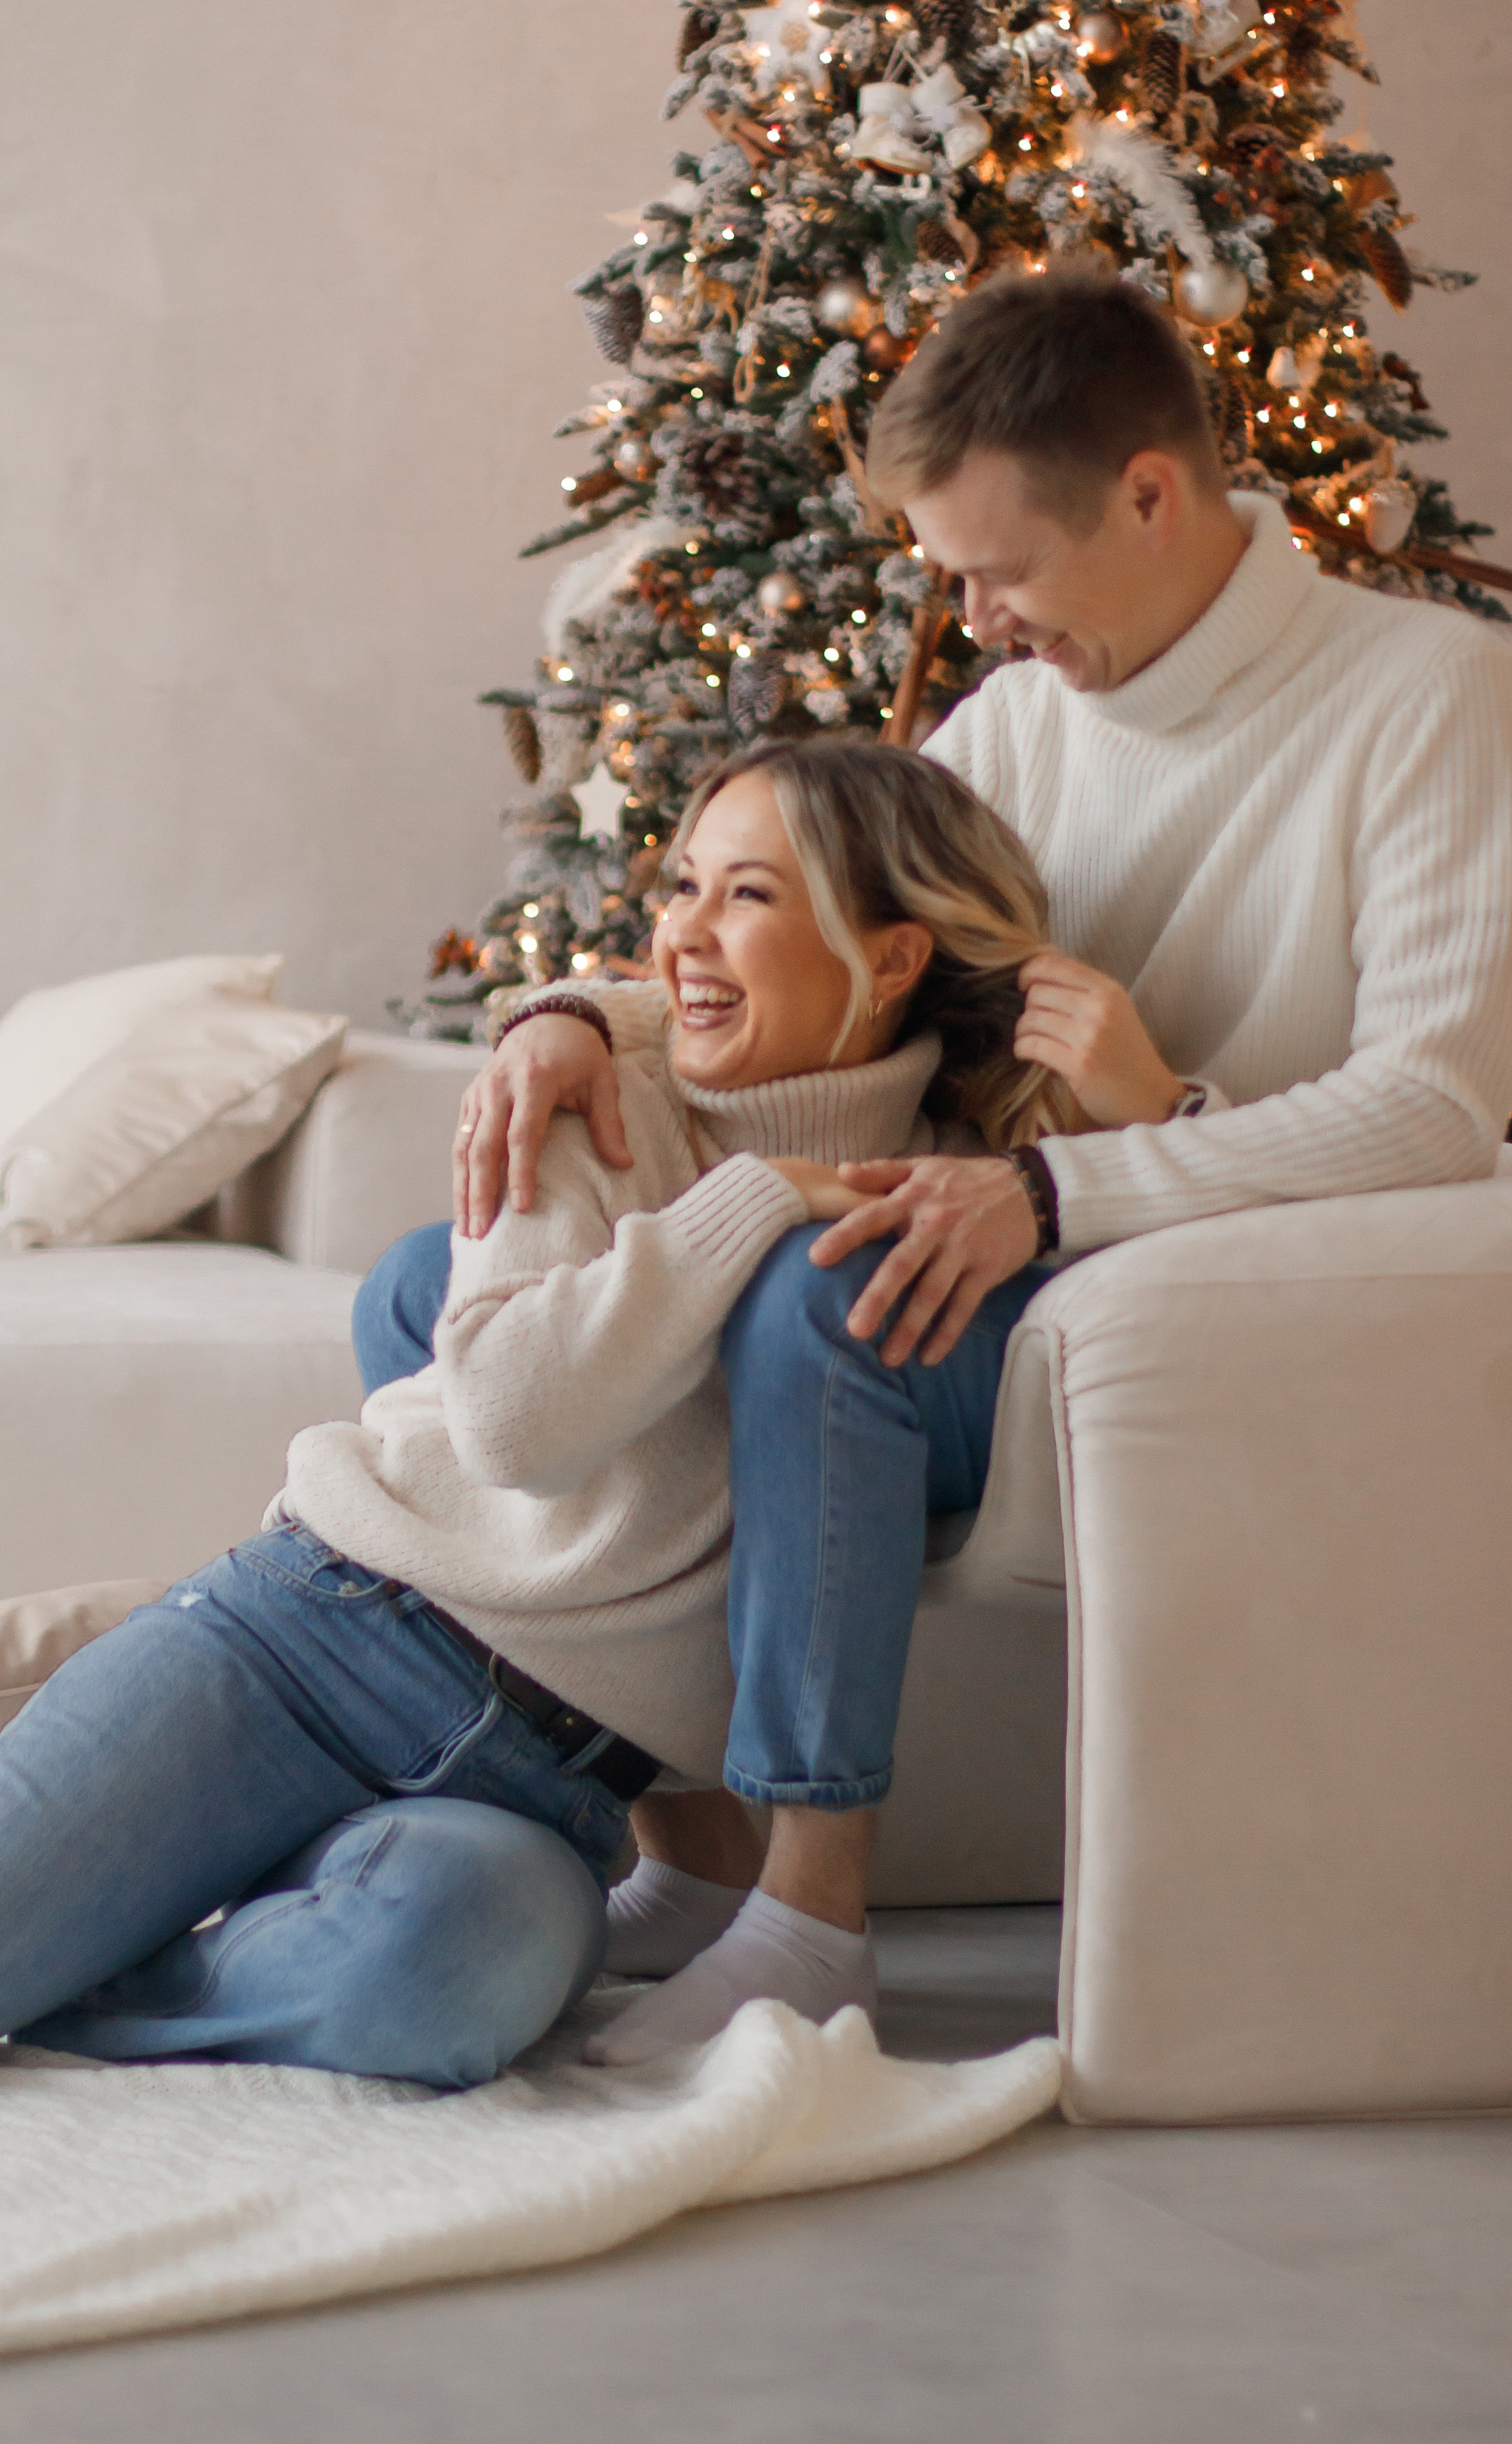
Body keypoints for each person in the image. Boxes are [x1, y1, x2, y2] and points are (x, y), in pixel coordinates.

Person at [381, 267, 1512, 2063]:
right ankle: (690, 1830)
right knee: (419, 1286)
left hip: (1216, 1280)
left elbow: (1443, 1110)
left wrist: (1099, 1161)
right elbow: (832, 934)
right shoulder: (1013, 725)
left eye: (996, 572)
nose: (972, 617)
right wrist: (574, 1017)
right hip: (1027, 1229)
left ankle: (813, 1921)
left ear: (1150, 492)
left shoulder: (1428, 697)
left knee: (829, 1306)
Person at [0, 739, 1163, 2089]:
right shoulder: (596, 1093)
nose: (684, 934)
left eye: (746, 896)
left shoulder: (947, 1201)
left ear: (888, 958)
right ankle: (68, 1860)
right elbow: (516, 1422)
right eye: (682, 884)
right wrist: (754, 1194)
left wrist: (1156, 1114)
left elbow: (1144, 1328)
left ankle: (95, 1966)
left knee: (457, 1980)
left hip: (541, 1794)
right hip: (309, 1641)